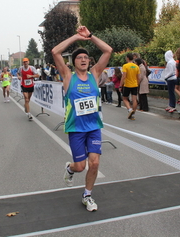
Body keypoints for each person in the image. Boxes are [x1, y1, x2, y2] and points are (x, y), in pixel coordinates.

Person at [51, 26, 112, 212]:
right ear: (73, 62)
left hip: (93, 126)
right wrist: (76, 37)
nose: (84, 59)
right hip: (76, 128)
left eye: (86, 57)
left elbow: (108, 50)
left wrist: (91, 37)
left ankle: (87, 195)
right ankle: (70, 169)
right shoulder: (68, 76)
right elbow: (55, 51)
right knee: (80, 166)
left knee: (94, 163)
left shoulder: (95, 74)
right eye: (80, 57)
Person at [120, 53, 140, 120]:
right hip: (135, 84)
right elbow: (138, 77)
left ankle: (130, 109)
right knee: (134, 100)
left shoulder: (125, 66)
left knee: (125, 98)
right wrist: (138, 84)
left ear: (128, 58)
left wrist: (120, 85)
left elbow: (124, 76)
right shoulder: (136, 66)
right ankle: (133, 114)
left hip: (127, 85)